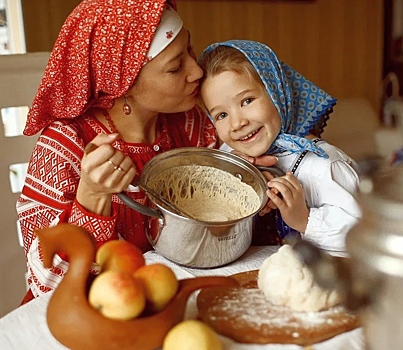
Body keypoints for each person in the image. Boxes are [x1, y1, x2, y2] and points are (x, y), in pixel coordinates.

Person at [16, 1, 274, 300]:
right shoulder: (65, 146)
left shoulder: (192, 123)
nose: (196, 71)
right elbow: (46, 283)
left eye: (190, 50)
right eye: (176, 67)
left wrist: (247, 172)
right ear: (122, 83)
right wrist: (92, 196)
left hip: (173, 296)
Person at [198, 40, 361, 255]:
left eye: (247, 101)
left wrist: (304, 220)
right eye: (222, 115)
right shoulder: (228, 158)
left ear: (278, 93)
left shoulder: (323, 166)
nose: (237, 123)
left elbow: (366, 236)